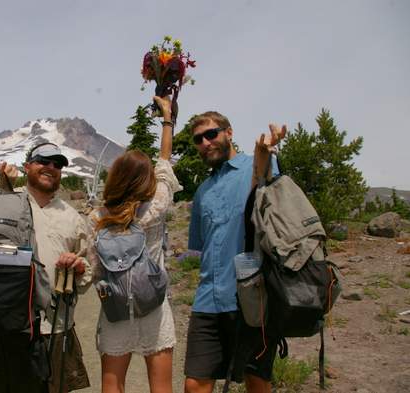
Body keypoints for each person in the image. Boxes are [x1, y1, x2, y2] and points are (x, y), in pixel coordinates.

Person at [183, 111, 286, 393]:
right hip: (208, 300)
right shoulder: (202, 191)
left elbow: (263, 179)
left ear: (229, 132)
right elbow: (202, 247)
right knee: (195, 384)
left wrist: (262, 151)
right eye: (198, 139)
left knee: (256, 380)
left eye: (211, 134)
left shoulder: (255, 165)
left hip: (253, 297)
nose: (205, 142)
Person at [87, 96, 182, 393]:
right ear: (146, 182)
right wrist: (167, 119)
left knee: (112, 386)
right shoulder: (155, 208)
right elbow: (164, 163)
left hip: (115, 309)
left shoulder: (97, 217)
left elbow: (95, 270)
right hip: (153, 307)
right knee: (161, 387)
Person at [0, 142, 92, 393]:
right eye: (44, 161)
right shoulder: (8, 199)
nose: (51, 168)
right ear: (27, 167)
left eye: (57, 164)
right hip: (9, 324)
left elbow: (87, 268)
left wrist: (78, 268)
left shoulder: (72, 217)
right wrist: (3, 185)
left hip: (56, 326)